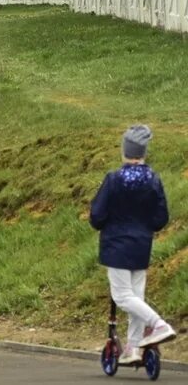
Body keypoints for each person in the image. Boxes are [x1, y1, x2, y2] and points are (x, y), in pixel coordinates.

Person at [90, 124, 176, 365]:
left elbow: (97, 215)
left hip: (116, 244)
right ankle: (133, 347)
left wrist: (106, 224)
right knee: (136, 295)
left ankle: (159, 325)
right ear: (143, 152)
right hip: (141, 244)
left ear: (124, 151)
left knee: (122, 296)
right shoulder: (153, 180)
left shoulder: (114, 179)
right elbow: (161, 218)